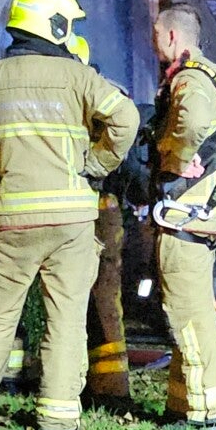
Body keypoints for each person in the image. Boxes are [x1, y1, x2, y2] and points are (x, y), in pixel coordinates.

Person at [0, 0, 138, 430]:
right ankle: (58, 419)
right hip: (71, 221)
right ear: (57, 25)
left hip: (12, 218)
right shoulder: (78, 77)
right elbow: (126, 119)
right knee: (65, 320)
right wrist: (96, 164)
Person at [147, 4, 216, 430]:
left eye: (156, 33)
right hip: (207, 216)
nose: (153, 41)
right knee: (190, 309)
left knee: (187, 316)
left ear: (172, 36)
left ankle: (210, 414)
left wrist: (173, 159)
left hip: (185, 217)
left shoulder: (188, 80)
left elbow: (188, 126)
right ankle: (183, 406)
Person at [70, 35, 133, 404]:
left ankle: (110, 387)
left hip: (96, 207)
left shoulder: (99, 97)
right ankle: (90, 381)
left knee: (100, 297)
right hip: (83, 206)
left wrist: (93, 166)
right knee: (87, 298)